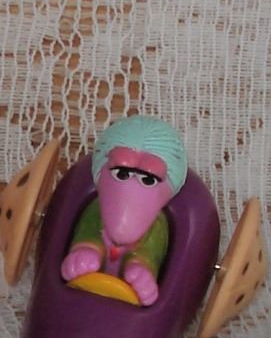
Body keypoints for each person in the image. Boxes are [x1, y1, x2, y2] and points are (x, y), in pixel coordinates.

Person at [61, 115, 188, 305]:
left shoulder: (157, 225)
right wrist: (86, 250)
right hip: (81, 291)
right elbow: (87, 231)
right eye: (121, 174)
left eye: (148, 180)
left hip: (127, 305)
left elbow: (151, 252)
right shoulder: (96, 209)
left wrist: (141, 267)